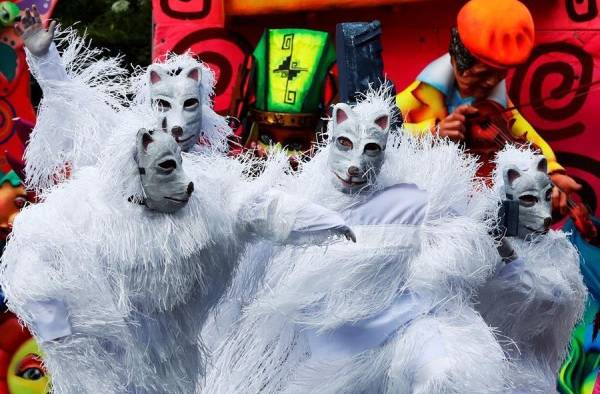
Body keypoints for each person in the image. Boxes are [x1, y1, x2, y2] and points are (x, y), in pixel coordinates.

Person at [205, 88, 508, 393]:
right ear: (332, 137)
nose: (355, 163)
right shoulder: (299, 197)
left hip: (379, 342)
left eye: (371, 149)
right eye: (345, 144)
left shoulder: (407, 201)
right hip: (318, 348)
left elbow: (456, 244)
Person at [396, 0, 580, 214]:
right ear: (456, 62)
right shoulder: (421, 94)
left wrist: (552, 170)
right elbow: (382, 132)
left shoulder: (495, 103)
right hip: (429, 201)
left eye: (500, 75)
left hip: (477, 201)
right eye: (482, 75)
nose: (491, 84)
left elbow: (526, 136)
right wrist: (433, 132)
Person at [477, 145, 586, 392]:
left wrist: (510, 258)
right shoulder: (482, 242)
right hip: (486, 371)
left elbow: (556, 300)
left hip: (530, 375)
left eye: (547, 196)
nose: (545, 212)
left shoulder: (560, 249)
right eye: (528, 200)